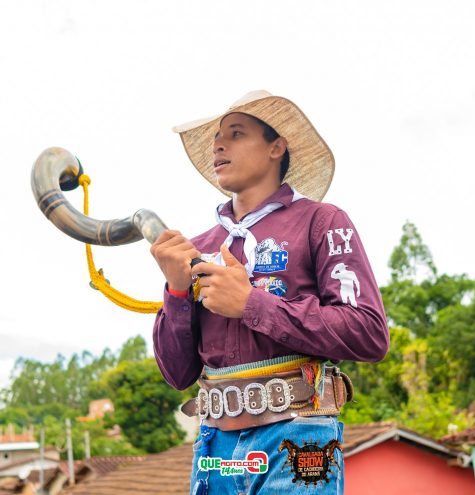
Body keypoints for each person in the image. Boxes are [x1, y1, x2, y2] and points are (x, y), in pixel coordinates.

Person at [151, 90, 389, 494]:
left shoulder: (323, 221)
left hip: (300, 440)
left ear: (276, 147)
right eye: (216, 138)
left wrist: (251, 305)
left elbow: (368, 332)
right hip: (215, 445)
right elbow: (178, 374)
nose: (219, 145)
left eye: (237, 133)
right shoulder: (199, 246)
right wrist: (176, 291)